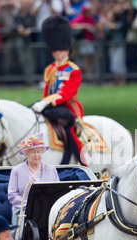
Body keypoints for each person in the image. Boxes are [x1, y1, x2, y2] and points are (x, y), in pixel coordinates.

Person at [31, 15, 87, 166]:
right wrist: (43, 102)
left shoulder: (73, 70)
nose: (57, 52)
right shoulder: (50, 69)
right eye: (54, 49)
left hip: (68, 108)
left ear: (67, 48)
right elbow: (47, 92)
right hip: (51, 107)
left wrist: (46, 103)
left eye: (60, 49)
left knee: (69, 129)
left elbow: (66, 94)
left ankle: (82, 161)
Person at [8, 133, 60, 231]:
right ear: (26, 153)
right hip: (24, 212)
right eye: (33, 152)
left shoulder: (51, 169)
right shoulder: (17, 170)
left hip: (48, 210)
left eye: (39, 152)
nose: (36, 155)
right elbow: (12, 195)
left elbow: (57, 192)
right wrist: (30, 206)